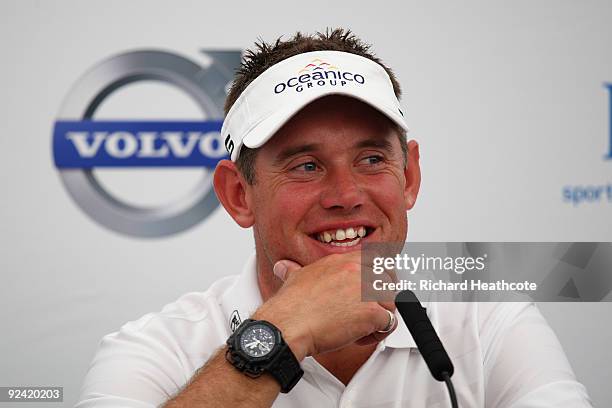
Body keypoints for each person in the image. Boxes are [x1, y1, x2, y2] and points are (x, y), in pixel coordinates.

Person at [76, 29, 592, 408]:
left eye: (372, 160)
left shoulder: (490, 318)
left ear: (409, 177)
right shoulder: (154, 346)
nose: (346, 195)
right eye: (306, 165)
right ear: (238, 195)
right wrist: (278, 334)